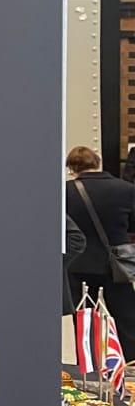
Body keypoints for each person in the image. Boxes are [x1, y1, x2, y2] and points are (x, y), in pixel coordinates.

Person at [65, 145, 135, 349]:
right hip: (116, 266)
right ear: (97, 162)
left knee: (84, 323)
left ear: (71, 167)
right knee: (127, 319)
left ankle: (89, 369)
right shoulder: (126, 189)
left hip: (78, 266)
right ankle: (130, 365)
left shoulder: (66, 191)